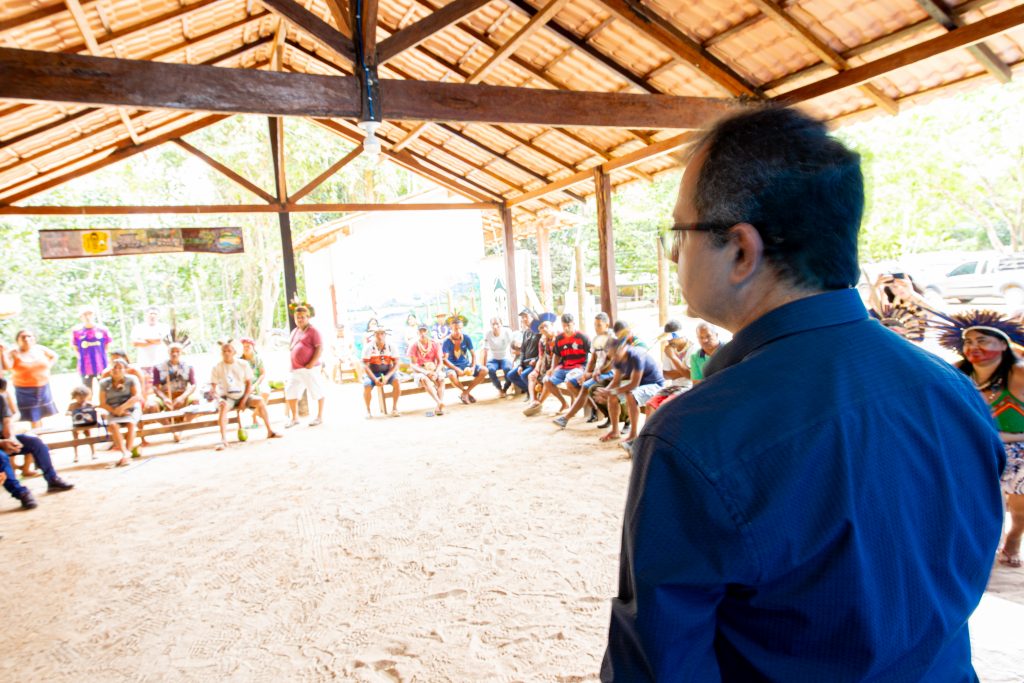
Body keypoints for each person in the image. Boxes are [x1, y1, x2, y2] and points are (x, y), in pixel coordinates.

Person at [602, 107, 1005, 682]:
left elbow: (660, 669)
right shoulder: (954, 393)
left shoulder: (697, 436)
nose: (674, 256)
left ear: (741, 250)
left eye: (679, 234)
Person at [931, 309, 1024, 569]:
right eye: (968, 342)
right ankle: (987, 544)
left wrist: (1015, 435)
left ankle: (1014, 539)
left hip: (1019, 451)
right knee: (981, 502)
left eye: (983, 341)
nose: (973, 347)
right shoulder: (956, 374)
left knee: (1020, 508)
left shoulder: (1018, 373)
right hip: (974, 449)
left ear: (1003, 345)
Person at [1, 383, 73, 509]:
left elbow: (7, 421)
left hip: (4, 440)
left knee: (35, 443)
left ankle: (52, 479)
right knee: (1, 458)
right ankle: (21, 493)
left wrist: (11, 438)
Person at [594, 333, 663, 447]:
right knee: (613, 395)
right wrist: (605, 391)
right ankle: (615, 431)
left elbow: (633, 384)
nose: (613, 359)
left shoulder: (636, 356)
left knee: (630, 394)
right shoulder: (617, 358)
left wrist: (610, 391)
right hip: (639, 385)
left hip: (654, 385)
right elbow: (615, 382)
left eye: (614, 355)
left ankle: (633, 434)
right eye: (611, 356)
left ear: (622, 348)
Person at [210, 340, 280, 451]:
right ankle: (223, 439)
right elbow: (212, 389)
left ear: (234, 352)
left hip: (243, 395)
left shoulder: (242, 364)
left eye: (229, 351)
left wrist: (244, 400)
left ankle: (270, 431)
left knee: (260, 401)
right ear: (221, 353)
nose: (227, 353)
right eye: (224, 351)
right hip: (227, 397)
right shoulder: (217, 367)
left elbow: (249, 383)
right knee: (223, 407)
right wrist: (219, 399)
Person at [554, 312, 613, 428]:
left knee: (586, 386)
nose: (596, 328)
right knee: (572, 383)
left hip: (610, 373)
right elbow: (593, 360)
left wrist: (591, 374)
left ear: (607, 325)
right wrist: (586, 374)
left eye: (599, 325)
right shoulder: (597, 339)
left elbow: (611, 363)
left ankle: (566, 418)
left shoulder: (612, 340)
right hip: (597, 373)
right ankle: (596, 411)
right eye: (595, 325)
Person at [0, 329, 59, 432]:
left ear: (34, 339)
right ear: (18, 340)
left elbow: (54, 356)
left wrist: (48, 366)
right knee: (33, 415)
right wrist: (2, 353)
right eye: (23, 337)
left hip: (43, 386)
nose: (26, 339)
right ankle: (38, 434)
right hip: (24, 389)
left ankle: (40, 432)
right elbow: (7, 367)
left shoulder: (40, 349)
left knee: (41, 413)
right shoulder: (14, 352)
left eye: (29, 336)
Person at [285, 303, 326, 428]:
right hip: (296, 369)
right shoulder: (295, 331)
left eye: (303, 317)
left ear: (308, 317)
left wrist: (311, 363)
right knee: (290, 392)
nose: (300, 319)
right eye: (298, 317)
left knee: (316, 391)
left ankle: (319, 417)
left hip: (309, 368)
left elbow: (319, 348)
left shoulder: (314, 331)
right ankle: (294, 418)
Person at [98, 359, 143, 467]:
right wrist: (115, 411)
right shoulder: (104, 383)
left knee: (131, 424)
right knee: (113, 425)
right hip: (112, 409)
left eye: (119, 368)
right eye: (114, 367)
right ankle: (125, 453)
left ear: (125, 370)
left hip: (130, 408)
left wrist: (122, 409)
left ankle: (126, 455)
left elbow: (136, 397)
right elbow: (102, 403)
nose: (116, 370)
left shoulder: (131, 379)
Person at [644, 321, 693, 413]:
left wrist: (673, 357)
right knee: (650, 404)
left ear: (681, 336)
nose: (669, 341)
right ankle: (650, 428)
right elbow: (666, 375)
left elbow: (689, 376)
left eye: (672, 339)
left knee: (664, 406)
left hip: (689, 387)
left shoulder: (692, 349)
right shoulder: (669, 348)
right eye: (668, 339)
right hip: (674, 386)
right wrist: (684, 370)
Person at [442, 314, 487, 404]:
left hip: (466, 365)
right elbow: (445, 360)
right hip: (452, 367)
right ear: (451, 328)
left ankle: (466, 393)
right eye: (455, 329)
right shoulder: (446, 341)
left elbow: (473, 355)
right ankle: (465, 393)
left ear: (462, 328)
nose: (457, 331)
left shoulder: (466, 338)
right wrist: (456, 369)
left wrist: (473, 367)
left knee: (484, 370)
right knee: (451, 375)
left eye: (459, 328)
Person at [523, 316, 560, 416]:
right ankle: (533, 401)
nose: (544, 329)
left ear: (552, 325)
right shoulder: (542, 341)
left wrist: (553, 369)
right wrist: (536, 369)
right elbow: (540, 357)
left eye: (546, 326)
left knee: (547, 378)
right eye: (541, 328)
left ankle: (539, 403)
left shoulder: (559, 337)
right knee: (532, 376)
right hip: (546, 364)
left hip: (560, 365)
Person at [71, 304, 112, 393]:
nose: (88, 317)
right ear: (81, 317)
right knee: (87, 391)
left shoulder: (103, 330)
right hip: (85, 367)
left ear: (94, 315)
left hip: (101, 365)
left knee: (106, 390)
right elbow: (75, 347)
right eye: (85, 315)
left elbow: (107, 345)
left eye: (90, 314)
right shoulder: (76, 331)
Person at [362, 326, 400, 417]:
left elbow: (396, 364)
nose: (380, 336)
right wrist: (375, 379)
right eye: (377, 334)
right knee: (367, 385)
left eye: (382, 333)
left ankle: (394, 408)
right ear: (374, 335)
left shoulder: (392, 346)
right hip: (372, 373)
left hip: (387, 372)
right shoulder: (368, 347)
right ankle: (368, 410)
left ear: (385, 335)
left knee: (397, 382)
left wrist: (387, 377)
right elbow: (365, 366)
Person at [409, 323, 446, 416]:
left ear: (427, 331)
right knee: (424, 379)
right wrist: (426, 372)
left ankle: (438, 407)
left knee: (441, 379)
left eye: (424, 331)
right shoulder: (414, 345)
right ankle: (439, 402)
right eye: (420, 331)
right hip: (420, 371)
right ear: (417, 332)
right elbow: (413, 365)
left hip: (433, 369)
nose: (422, 333)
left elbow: (440, 362)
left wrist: (436, 373)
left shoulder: (435, 343)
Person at [130, 306, 170, 383]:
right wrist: (154, 340)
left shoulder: (164, 327)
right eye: (151, 313)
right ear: (146, 315)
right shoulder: (138, 327)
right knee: (147, 386)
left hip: (161, 362)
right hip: (144, 362)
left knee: (162, 385)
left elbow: (161, 340)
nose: (153, 316)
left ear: (158, 316)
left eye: (155, 314)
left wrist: (144, 339)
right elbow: (135, 343)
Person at [506, 309, 539, 398]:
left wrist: (536, 360)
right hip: (525, 363)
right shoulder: (525, 332)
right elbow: (523, 351)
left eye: (526, 317)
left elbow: (543, 351)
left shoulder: (539, 331)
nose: (524, 319)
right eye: (522, 317)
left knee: (524, 375)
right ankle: (530, 391)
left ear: (532, 317)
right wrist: (520, 365)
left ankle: (534, 395)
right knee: (511, 375)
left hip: (535, 364)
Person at [481, 317, 514, 397]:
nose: (495, 326)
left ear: (501, 324)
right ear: (490, 325)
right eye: (493, 324)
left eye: (497, 324)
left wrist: (514, 360)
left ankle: (505, 388)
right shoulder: (488, 333)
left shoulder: (507, 332)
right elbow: (485, 350)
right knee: (491, 369)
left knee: (508, 369)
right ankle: (499, 388)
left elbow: (513, 346)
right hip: (493, 358)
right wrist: (483, 366)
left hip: (505, 357)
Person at [67, 384, 98, 462]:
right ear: (75, 397)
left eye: (84, 397)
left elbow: (95, 410)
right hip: (76, 424)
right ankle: (76, 455)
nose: (82, 399)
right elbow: (67, 412)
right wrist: (71, 413)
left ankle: (93, 453)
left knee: (89, 437)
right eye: (79, 397)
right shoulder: (72, 405)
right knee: (75, 439)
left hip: (87, 424)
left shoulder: (89, 404)